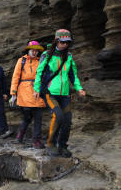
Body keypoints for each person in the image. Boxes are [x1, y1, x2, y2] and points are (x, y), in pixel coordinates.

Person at [33, 29, 85, 158]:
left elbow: (73, 74)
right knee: (58, 116)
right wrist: (36, 89)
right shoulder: (47, 54)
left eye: (67, 42)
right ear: (56, 40)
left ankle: (63, 146)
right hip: (50, 93)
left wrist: (79, 88)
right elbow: (39, 73)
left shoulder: (69, 56)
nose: (64, 45)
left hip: (65, 94)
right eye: (62, 42)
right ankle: (51, 144)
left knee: (67, 121)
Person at [10, 41, 46, 148]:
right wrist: (13, 92)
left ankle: (37, 139)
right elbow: (15, 76)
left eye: (36, 50)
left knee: (38, 116)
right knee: (28, 115)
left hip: (38, 90)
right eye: (32, 50)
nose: (34, 52)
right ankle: (21, 133)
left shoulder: (41, 61)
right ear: (28, 50)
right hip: (25, 91)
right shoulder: (21, 61)